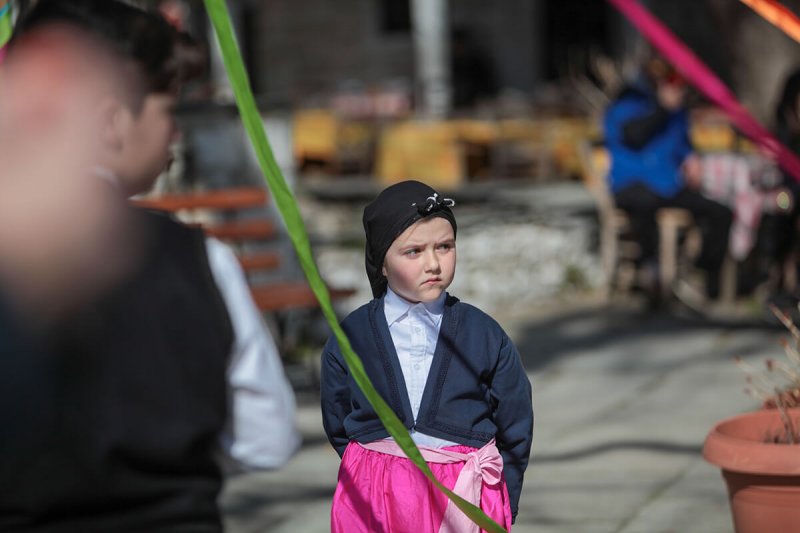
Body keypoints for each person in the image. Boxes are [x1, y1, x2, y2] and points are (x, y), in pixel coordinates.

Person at [0, 2, 299, 531]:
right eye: (169, 110)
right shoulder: (199, 260)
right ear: (113, 119)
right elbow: (265, 438)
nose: (175, 135)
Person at [320, 180, 533, 532]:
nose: (433, 263)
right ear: (382, 264)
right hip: (375, 493)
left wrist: (502, 496)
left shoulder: (484, 334)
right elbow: (337, 415)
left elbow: (515, 421)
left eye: (445, 246)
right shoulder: (352, 336)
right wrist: (372, 467)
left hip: (462, 495)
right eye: (414, 251)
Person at [604, 57, 733, 303]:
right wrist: (662, 108)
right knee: (644, 204)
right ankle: (651, 272)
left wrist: (692, 158)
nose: (677, 90)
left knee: (721, 212)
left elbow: (683, 145)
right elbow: (634, 135)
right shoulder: (629, 102)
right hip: (632, 183)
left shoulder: (678, 112)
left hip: (668, 185)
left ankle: (700, 273)